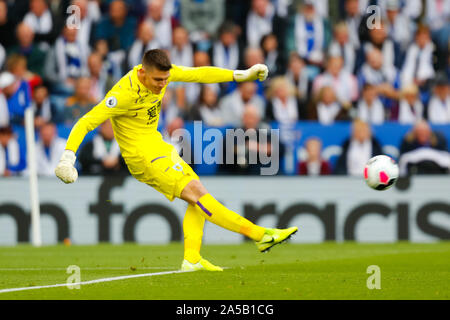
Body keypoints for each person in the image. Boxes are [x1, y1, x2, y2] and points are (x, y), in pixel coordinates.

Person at [54, 49, 297, 271]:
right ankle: (261, 235)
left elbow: (200, 74)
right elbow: (87, 121)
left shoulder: (165, 75)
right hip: (144, 158)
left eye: (165, 79)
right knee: (200, 195)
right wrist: (68, 158)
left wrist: (241, 75)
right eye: (157, 80)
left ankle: (191, 258)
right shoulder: (122, 94)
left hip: (160, 148)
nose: (162, 85)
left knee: (197, 199)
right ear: (142, 72)